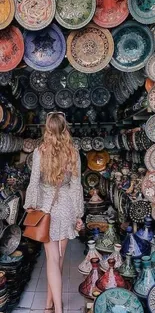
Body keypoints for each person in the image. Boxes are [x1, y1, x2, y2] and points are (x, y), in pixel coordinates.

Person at [24, 112, 84, 313]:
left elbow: (34, 183)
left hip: (47, 208)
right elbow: (76, 186)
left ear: (47, 129)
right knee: (59, 258)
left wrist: (30, 205)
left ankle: (57, 309)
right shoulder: (73, 152)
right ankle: (49, 303)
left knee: (51, 259)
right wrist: (78, 214)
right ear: (64, 128)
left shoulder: (39, 152)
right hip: (66, 206)